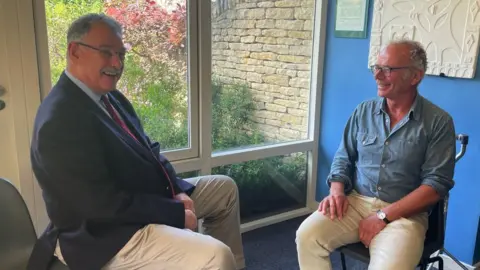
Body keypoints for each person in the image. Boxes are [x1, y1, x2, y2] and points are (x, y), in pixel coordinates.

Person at [28, 13, 245, 270]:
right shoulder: (60, 119)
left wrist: (176, 189)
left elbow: (150, 150)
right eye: (107, 52)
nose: (117, 63)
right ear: (75, 51)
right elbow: (100, 205)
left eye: (121, 54)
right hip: (103, 235)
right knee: (215, 256)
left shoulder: (112, 98)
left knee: (224, 190)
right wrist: (173, 213)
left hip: (142, 203)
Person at [295, 39, 456, 270]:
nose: (377, 76)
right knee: (307, 236)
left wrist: (383, 216)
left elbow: (436, 185)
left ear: (415, 77)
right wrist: (337, 190)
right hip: (355, 202)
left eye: (388, 69)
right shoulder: (363, 111)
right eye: (376, 67)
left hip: (404, 215)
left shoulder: (438, 122)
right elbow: (343, 157)